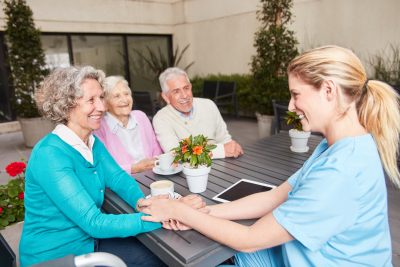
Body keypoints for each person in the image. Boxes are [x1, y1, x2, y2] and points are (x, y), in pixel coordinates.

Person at [139, 46, 400, 266]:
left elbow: (250, 239)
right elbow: (275, 196)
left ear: (329, 90)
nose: (290, 106)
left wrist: (178, 210)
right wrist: (205, 212)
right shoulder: (335, 147)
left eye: (296, 94)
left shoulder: (342, 170)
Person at [19, 66, 205, 267]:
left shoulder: (91, 142)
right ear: (66, 105)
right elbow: (94, 223)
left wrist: (140, 202)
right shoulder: (50, 155)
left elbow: (117, 177)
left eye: (101, 98)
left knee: (161, 254)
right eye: (91, 100)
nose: (101, 106)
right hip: (59, 257)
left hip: (91, 243)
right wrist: (162, 215)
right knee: (162, 259)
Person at [152, 67, 243, 159]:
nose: (184, 95)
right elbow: (176, 153)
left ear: (191, 87)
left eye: (186, 88)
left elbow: (225, 141)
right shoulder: (161, 119)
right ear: (165, 97)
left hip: (220, 167)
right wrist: (220, 151)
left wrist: (231, 150)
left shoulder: (209, 105)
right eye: (176, 91)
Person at [92, 76, 162, 174]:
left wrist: (155, 160)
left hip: (153, 176)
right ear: (105, 104)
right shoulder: (99, 127)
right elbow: (104, 167)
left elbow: (156, 146)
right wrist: (135, 168)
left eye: (126, 94)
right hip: (123, 184)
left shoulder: (140, 116)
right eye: (116, 96)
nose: (125, 100)